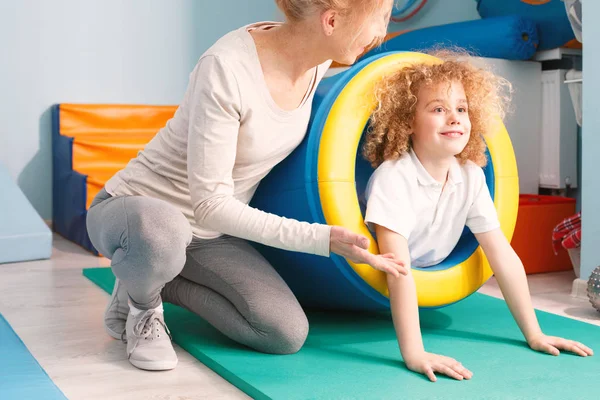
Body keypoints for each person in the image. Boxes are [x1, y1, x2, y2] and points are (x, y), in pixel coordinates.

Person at [86, 0, 404, 371]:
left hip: (211, 235)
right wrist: (322, 239)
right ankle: (142, 306)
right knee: (162, 234)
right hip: (137, 212)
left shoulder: (317, 60)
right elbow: (211, 204)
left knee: (282, 332)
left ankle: (148, 278)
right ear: (331, 21)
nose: (382, 32)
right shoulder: (227, 67)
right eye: (380, 17)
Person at [362, 51, 594, 382]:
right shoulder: (393, 177)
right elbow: (397, 269)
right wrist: (414, 352)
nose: (454, 118)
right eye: (438, 109)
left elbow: (503, 256)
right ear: (408, 121)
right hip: (374, 281)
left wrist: (535, 333)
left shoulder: (470, 175)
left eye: (461, 109)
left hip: (431, 272)